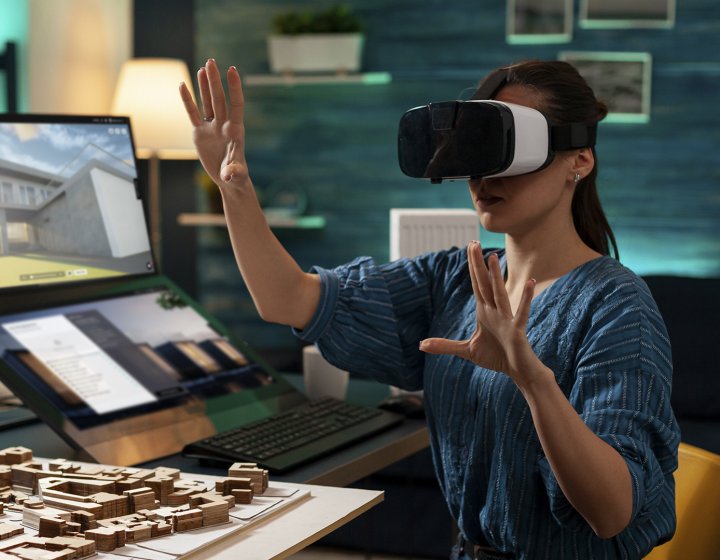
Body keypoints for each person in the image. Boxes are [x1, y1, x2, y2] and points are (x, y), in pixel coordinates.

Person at [180, 59, 680, 559]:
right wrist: (234, 186)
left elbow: (612, 512)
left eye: (509, 151)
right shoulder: (453, 279)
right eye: (478, 150)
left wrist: (533, 381)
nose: (485, 176)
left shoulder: (616, 304)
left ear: (580, 159)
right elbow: (287, 299)